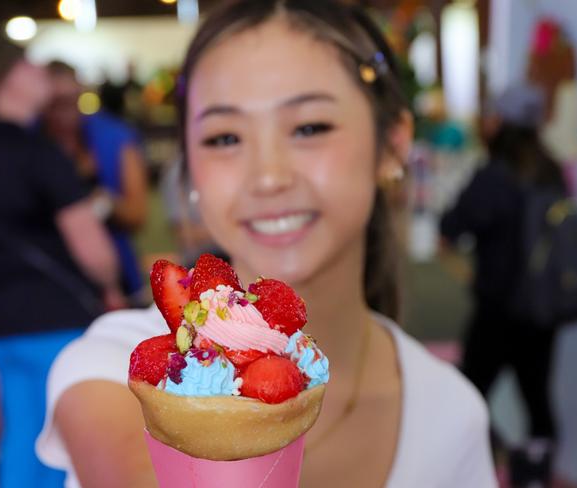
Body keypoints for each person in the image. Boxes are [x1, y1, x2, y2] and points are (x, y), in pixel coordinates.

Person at [37, 2, 497, 487]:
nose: (268, 177)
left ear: (393, 144)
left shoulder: (450, 412)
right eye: (224, 137)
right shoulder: (123, 368)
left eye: (309, 127)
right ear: (188, 171)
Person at [0, 32, 123, 488]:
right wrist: (109, 284)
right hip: (58, 319)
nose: (40, 70)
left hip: (1, 324)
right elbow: (89, 242)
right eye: (28, 64)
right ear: (6, 80)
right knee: (66, 447)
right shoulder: (40, 152)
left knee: (20, 443)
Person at [440, 84, 566, 487]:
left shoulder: (494, 175)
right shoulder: (553, 171)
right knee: (538, 398)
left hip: (497, 308)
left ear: (502, 123)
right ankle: (534, 474)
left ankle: (485, 463)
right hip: (543, 311)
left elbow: (451, 226)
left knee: (468, 393)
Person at [42, 61, 149, 305]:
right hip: (56, 283)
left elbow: (138, 214)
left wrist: (105, 203)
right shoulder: (32, 142)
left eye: (69, 101)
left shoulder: (113, 135)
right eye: (54, 104)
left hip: (119, 275)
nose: (63, 113)